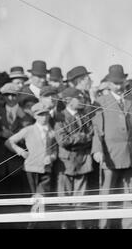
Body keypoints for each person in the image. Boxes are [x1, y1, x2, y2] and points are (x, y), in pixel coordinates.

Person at [92, 65, 132, 229]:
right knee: (107, 195)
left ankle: (128, 226)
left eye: (120, 83)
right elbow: (97, 130)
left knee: (130, 196)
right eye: (114, 83)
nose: (118, 86)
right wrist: (97, 150)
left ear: (125, 81)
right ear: (108, 83)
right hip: (110, 156)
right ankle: (104, 226)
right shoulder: (101, 102)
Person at [6, 102, 57, 227]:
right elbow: (9, 141)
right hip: (30, 169)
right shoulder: (28, 130)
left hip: (46, 169)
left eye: (46, 114)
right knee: (34, 198)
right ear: (35, 116)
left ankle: (34, 224)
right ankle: (32, 224)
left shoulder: (52, 131)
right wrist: (20, 151)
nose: (44, 117)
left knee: (41, 197)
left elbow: (55, 150)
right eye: (40, 115)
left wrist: (51, 157)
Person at [55, 88, 94, 229]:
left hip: (83, 161)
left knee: (81, 199)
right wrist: (82, 137)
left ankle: (80, 225)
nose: (82, 101)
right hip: (66, 164)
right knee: (64, 199)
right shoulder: (60, 117)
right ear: (68, 101)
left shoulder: (85, 116)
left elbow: (92, 135)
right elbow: (63, 140)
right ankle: (65, 226)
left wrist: (78, 139)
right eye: (78, 98)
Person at [0, 83, 33, 195]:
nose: (10, 98)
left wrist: (16, 135)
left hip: (18, 160)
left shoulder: (26, 115)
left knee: (18, 192)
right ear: (3, 97)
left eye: (14, 95)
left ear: (19, 96)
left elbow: (30, 134)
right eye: (7, 95)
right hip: (1, 160)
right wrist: (0, 133)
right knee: (1, 194)